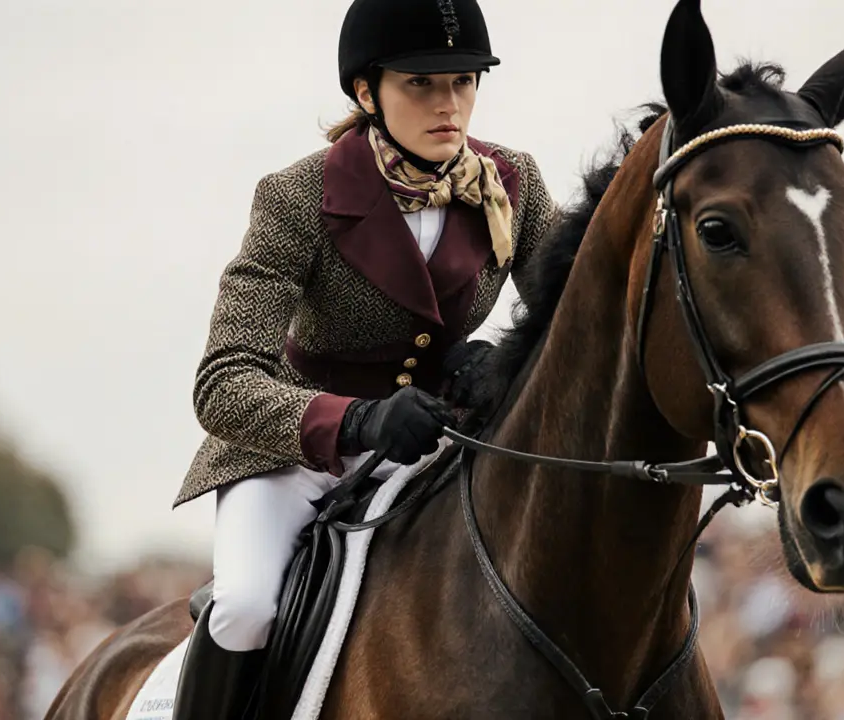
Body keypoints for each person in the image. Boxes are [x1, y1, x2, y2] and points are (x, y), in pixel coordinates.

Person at [173, 0, 558, 713]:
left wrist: (501, 362)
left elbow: (568, 328)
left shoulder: (514, 183)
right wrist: (358, 421)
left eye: (464, 81)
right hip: (296, 453)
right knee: (247, 608)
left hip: (437, 442)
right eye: (421, 84)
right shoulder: (296, 197)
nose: (449, 105)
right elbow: (223, 383)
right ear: (366, 91)